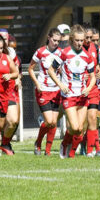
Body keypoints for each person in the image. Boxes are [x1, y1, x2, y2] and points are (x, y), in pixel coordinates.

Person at [48, 24, 96, 159]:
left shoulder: (87, 56)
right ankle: (64, 143)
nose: (80, 43)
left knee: (80, 129)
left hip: (82, 95)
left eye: (82, 40)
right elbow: (51, 70)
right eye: (77, 40)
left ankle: (72, 153)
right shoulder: (64, 53)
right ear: (71, 40)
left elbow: (93, 76)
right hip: (68, 95)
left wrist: (88, 88)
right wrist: (60, 84)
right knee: (74, 127)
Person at [29, 28, 62, 156]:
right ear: (48, 38)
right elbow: (31, 69)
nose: (56, 43)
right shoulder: (40, 52)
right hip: (43, 90)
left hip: (56, 90)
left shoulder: (61, 53)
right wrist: (37, 84)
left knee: (54, 122)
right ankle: (38, 142)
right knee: (49, 121)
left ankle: (47, 151)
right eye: (54, 40)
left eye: (58, 41)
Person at [82, 25, 100, 157]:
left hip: (93, 88)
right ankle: (74, 144)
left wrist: (99, 72)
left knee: (93, 119)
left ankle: (92, 149)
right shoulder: (73, 51)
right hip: (78, 90)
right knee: (79, 125)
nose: (89, 40)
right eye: (87, 38)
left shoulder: (95, 49)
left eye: (91, 38)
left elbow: (98, 67)